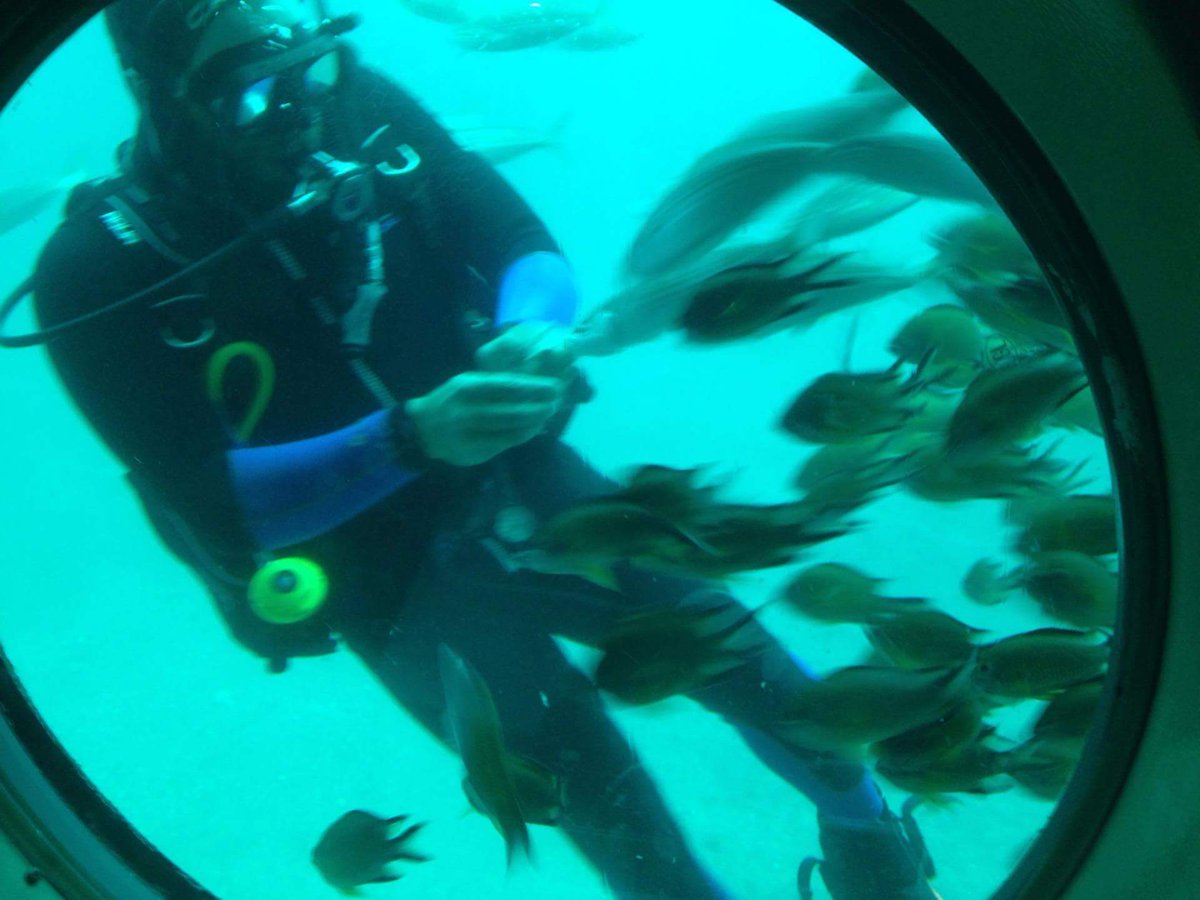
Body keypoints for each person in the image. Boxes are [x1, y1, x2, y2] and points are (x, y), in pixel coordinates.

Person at [17, 1, 939, 896]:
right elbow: (211, 505)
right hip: (385, 582)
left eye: (303, 71)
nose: (297, 112)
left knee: (766, 679)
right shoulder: (96, 271)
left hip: (523, 479)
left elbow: (514, 238)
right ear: (161, 94)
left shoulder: (357, 107)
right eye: (251, 96)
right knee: (614, 816)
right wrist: (410, 439)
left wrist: (529, 329)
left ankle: (875, 853)